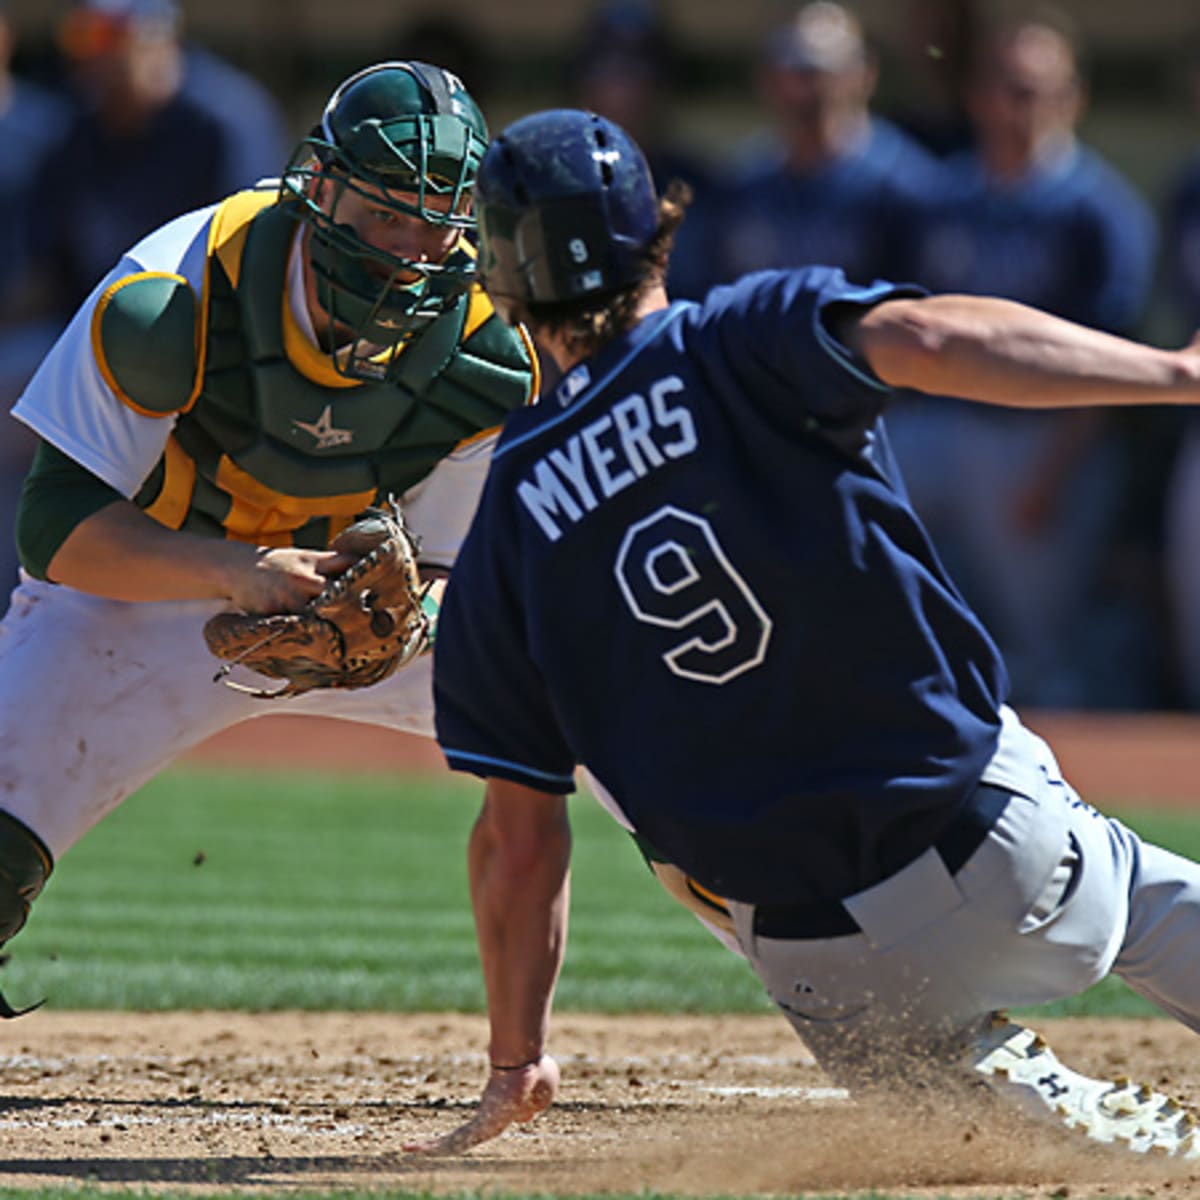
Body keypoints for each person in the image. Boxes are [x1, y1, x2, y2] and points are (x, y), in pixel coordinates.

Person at [414, 108, 1200, 1159]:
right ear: (661, 229)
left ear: (503, 285)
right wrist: (1179, 374)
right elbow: (932, 339)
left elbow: (518, 847)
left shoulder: (506, 518)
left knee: (875, 1035)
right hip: (1007, 859)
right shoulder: (738, 334)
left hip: (819, 961)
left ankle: (1010, 1096)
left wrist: (517, 1060)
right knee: (1141, 899)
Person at [0, 60, 537, 1010]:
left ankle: (830, 959)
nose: (415, 251)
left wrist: (411, 617)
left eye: (440, 222)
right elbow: (54, 529)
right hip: (148, 590)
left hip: (351, 606)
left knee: (622, 719)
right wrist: (239, 572)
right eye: (387, 214)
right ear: (319, 189)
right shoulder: (177, 287)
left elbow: (452, 565)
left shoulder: (487, 352)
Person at [893, 15, 1158, 707]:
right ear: (977, 95)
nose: (1020, 105)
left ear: (1074, 98)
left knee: (1042, 646)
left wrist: (1052, 475)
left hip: (1040, 441)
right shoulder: (943, 195)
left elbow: (1113, 361)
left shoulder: (1100, 210)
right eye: (1007, 87)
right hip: (941, 430)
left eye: (1038, 89)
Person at [28, 0, 288, 322]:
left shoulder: (225, 119)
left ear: (157, 42)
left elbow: (256, 253)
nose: (97, 64)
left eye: (112, 44)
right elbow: (44, 265)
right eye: (86, 46)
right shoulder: (77, 126)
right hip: (86, 321)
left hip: (205, 325)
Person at [674, 1, 942, 298]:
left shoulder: (906, 187)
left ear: (864, 74)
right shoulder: (744, 187)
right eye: (796, 70)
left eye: (825, 70)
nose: (809, 89)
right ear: (767, 79)